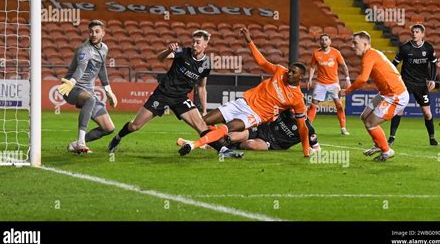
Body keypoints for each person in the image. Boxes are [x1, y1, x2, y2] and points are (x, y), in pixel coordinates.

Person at [178, 27, 311, 158]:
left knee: (227, 128)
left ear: (301, 77)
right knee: (204, 121)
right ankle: (212, 144)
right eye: (290, 70)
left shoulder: (298, 98)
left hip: (255, 115)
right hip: (243, 102)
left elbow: (302, 128)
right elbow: (262, 62)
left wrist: (306, 151)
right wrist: (249, 40)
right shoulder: (280, 71)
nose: (289, 73)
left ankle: (195, 145)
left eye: (294, 72)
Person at [107, 30, 241, 157]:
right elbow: (160, 58)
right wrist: (168, 50)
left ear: (205, 45)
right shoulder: (182, 52)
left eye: (198, 42)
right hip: (162, 94)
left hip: (181, 98)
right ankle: (118, 137)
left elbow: (201, 87)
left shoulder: (206, 64)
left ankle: (223, 151)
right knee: (135, 126)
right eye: (193, 41)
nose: (194, 45)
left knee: (201, 126)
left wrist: (204, 110)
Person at [339, 31, 409, 162]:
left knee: (371, 123)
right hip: (385, 93)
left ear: (365, 44)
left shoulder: (369, 56)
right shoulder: (373, 53)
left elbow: (362, 79)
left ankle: (387, 151)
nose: (352, 46)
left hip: (395, 95)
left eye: (355, 43)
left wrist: (346, 91)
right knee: (364, 116)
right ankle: (379, 144)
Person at [58, 20, 118, 154]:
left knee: (108, 128)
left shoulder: (104, 49)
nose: (93, 34)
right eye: (91, 32)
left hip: (88, 91)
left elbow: (101, 68)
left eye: (97, 31)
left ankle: (74, 145)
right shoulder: (84, 50)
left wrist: (109, 91)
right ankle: (81, 142)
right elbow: (80, 68)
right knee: (90, 99)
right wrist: (72, 82)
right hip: (71, 88)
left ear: (103, 33)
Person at [388, 24, 440, 146]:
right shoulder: (405, 48)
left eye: (417, 32)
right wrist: (390, 77)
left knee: (427, 113)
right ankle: (391, 137)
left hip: (422, 85)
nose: (414, 34)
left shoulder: (428, 48)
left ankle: (432, 138)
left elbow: (433, 64)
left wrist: (432, 80)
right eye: (413, 32)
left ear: (422, 34)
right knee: (399, 109)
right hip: (406, 83)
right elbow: (394, 64)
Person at [177, 109, 321, 152]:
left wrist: (309, 150)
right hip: (260, 129)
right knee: (231, 136)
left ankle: (207, 144)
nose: (294, 111)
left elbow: (317, 148)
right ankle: (201, 143)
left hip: (272, 144)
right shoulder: (286, 111)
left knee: (250, 145)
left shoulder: (308, 128)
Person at [307, 33, 351, 135]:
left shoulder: (336, 53)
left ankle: (343, 128)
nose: (324, 41)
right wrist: (310, 79)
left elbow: (344, 66)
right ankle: (308, 126)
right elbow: (313, 67)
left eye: (326, 39)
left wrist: (347, 79)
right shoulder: (316, 54)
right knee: (313, 104)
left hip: (334, 84)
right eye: (322, 40)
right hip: (320, 83)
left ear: (330, 41)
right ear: (320, 42)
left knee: (339, 105)